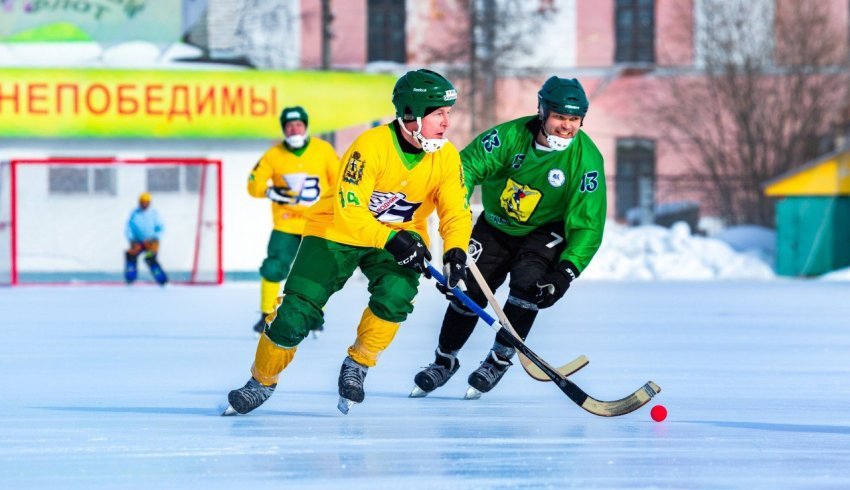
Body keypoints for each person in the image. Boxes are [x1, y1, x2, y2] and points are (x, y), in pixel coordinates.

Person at [223, 68, 472, 416]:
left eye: (448, 113)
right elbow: (350, 210)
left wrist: (456, 252)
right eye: (438, 113)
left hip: (399, 236)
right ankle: (261, 381)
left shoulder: (446, 157)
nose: (447, 122)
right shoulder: (370, 146)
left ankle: (358, 365)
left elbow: (455, 213)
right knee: (296, 313)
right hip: (336, 230)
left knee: (397, 295)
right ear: (412, 115)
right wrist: (392, 239)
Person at [411, 76, 607, 399]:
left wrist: (565, 272)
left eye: (574, 120)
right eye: (560, 117)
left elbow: (588, 224)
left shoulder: (586, 161)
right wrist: (456, 214)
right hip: (497, 225)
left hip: (545, 231)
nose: (566, 127)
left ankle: (499, 359)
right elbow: (465, 169)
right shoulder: (509, 137)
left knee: (529, 286)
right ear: (542, 112)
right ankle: (444, 361)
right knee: (467, 291)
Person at [247, 106, 340, 334]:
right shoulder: (274, 154)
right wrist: (269, 192)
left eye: (298, 124)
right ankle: (266, 314)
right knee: (273, 267)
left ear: (306, 126)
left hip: (317, 223)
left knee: (317, 272)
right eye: (289, 125)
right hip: (286, 223)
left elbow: (340, 182)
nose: (294, 129)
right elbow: (253, 184)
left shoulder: (323, 150)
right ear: (283, 129)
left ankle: (315, 315)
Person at [124, 192, 168, 285]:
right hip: (137, 242)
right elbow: (129, 227)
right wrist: (131, 239)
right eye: (142, 202)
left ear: (149, 203)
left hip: (151, 242)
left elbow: (161, 228)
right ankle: (130, 278)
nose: (144, 204)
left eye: (146, 202)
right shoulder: (135, 213)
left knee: (150, 258)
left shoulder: (154, 214)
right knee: (130, 255)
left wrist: (155, 238)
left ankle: (162, 280)